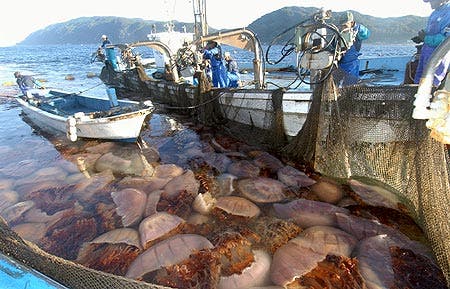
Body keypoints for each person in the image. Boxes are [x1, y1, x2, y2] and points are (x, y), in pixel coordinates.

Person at [414, 0, 450, 86]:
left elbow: (446, 40)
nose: (430, 4)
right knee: (419, 79)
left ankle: (431, 97)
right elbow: (430, 30)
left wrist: (425, 38)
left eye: (432, 1)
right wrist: (421, 36)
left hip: (439, 55)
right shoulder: (434, 13)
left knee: (432, 81)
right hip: (426, 53)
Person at [337, 11, 370, 84]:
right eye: (341, 25)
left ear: (352, 23)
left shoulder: (357, 31)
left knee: (349, 86)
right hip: (338, 63)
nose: (343, 28)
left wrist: (359, 29)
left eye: (345, 25)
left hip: (351, 64)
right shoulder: (338, 32)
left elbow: (367, 34)